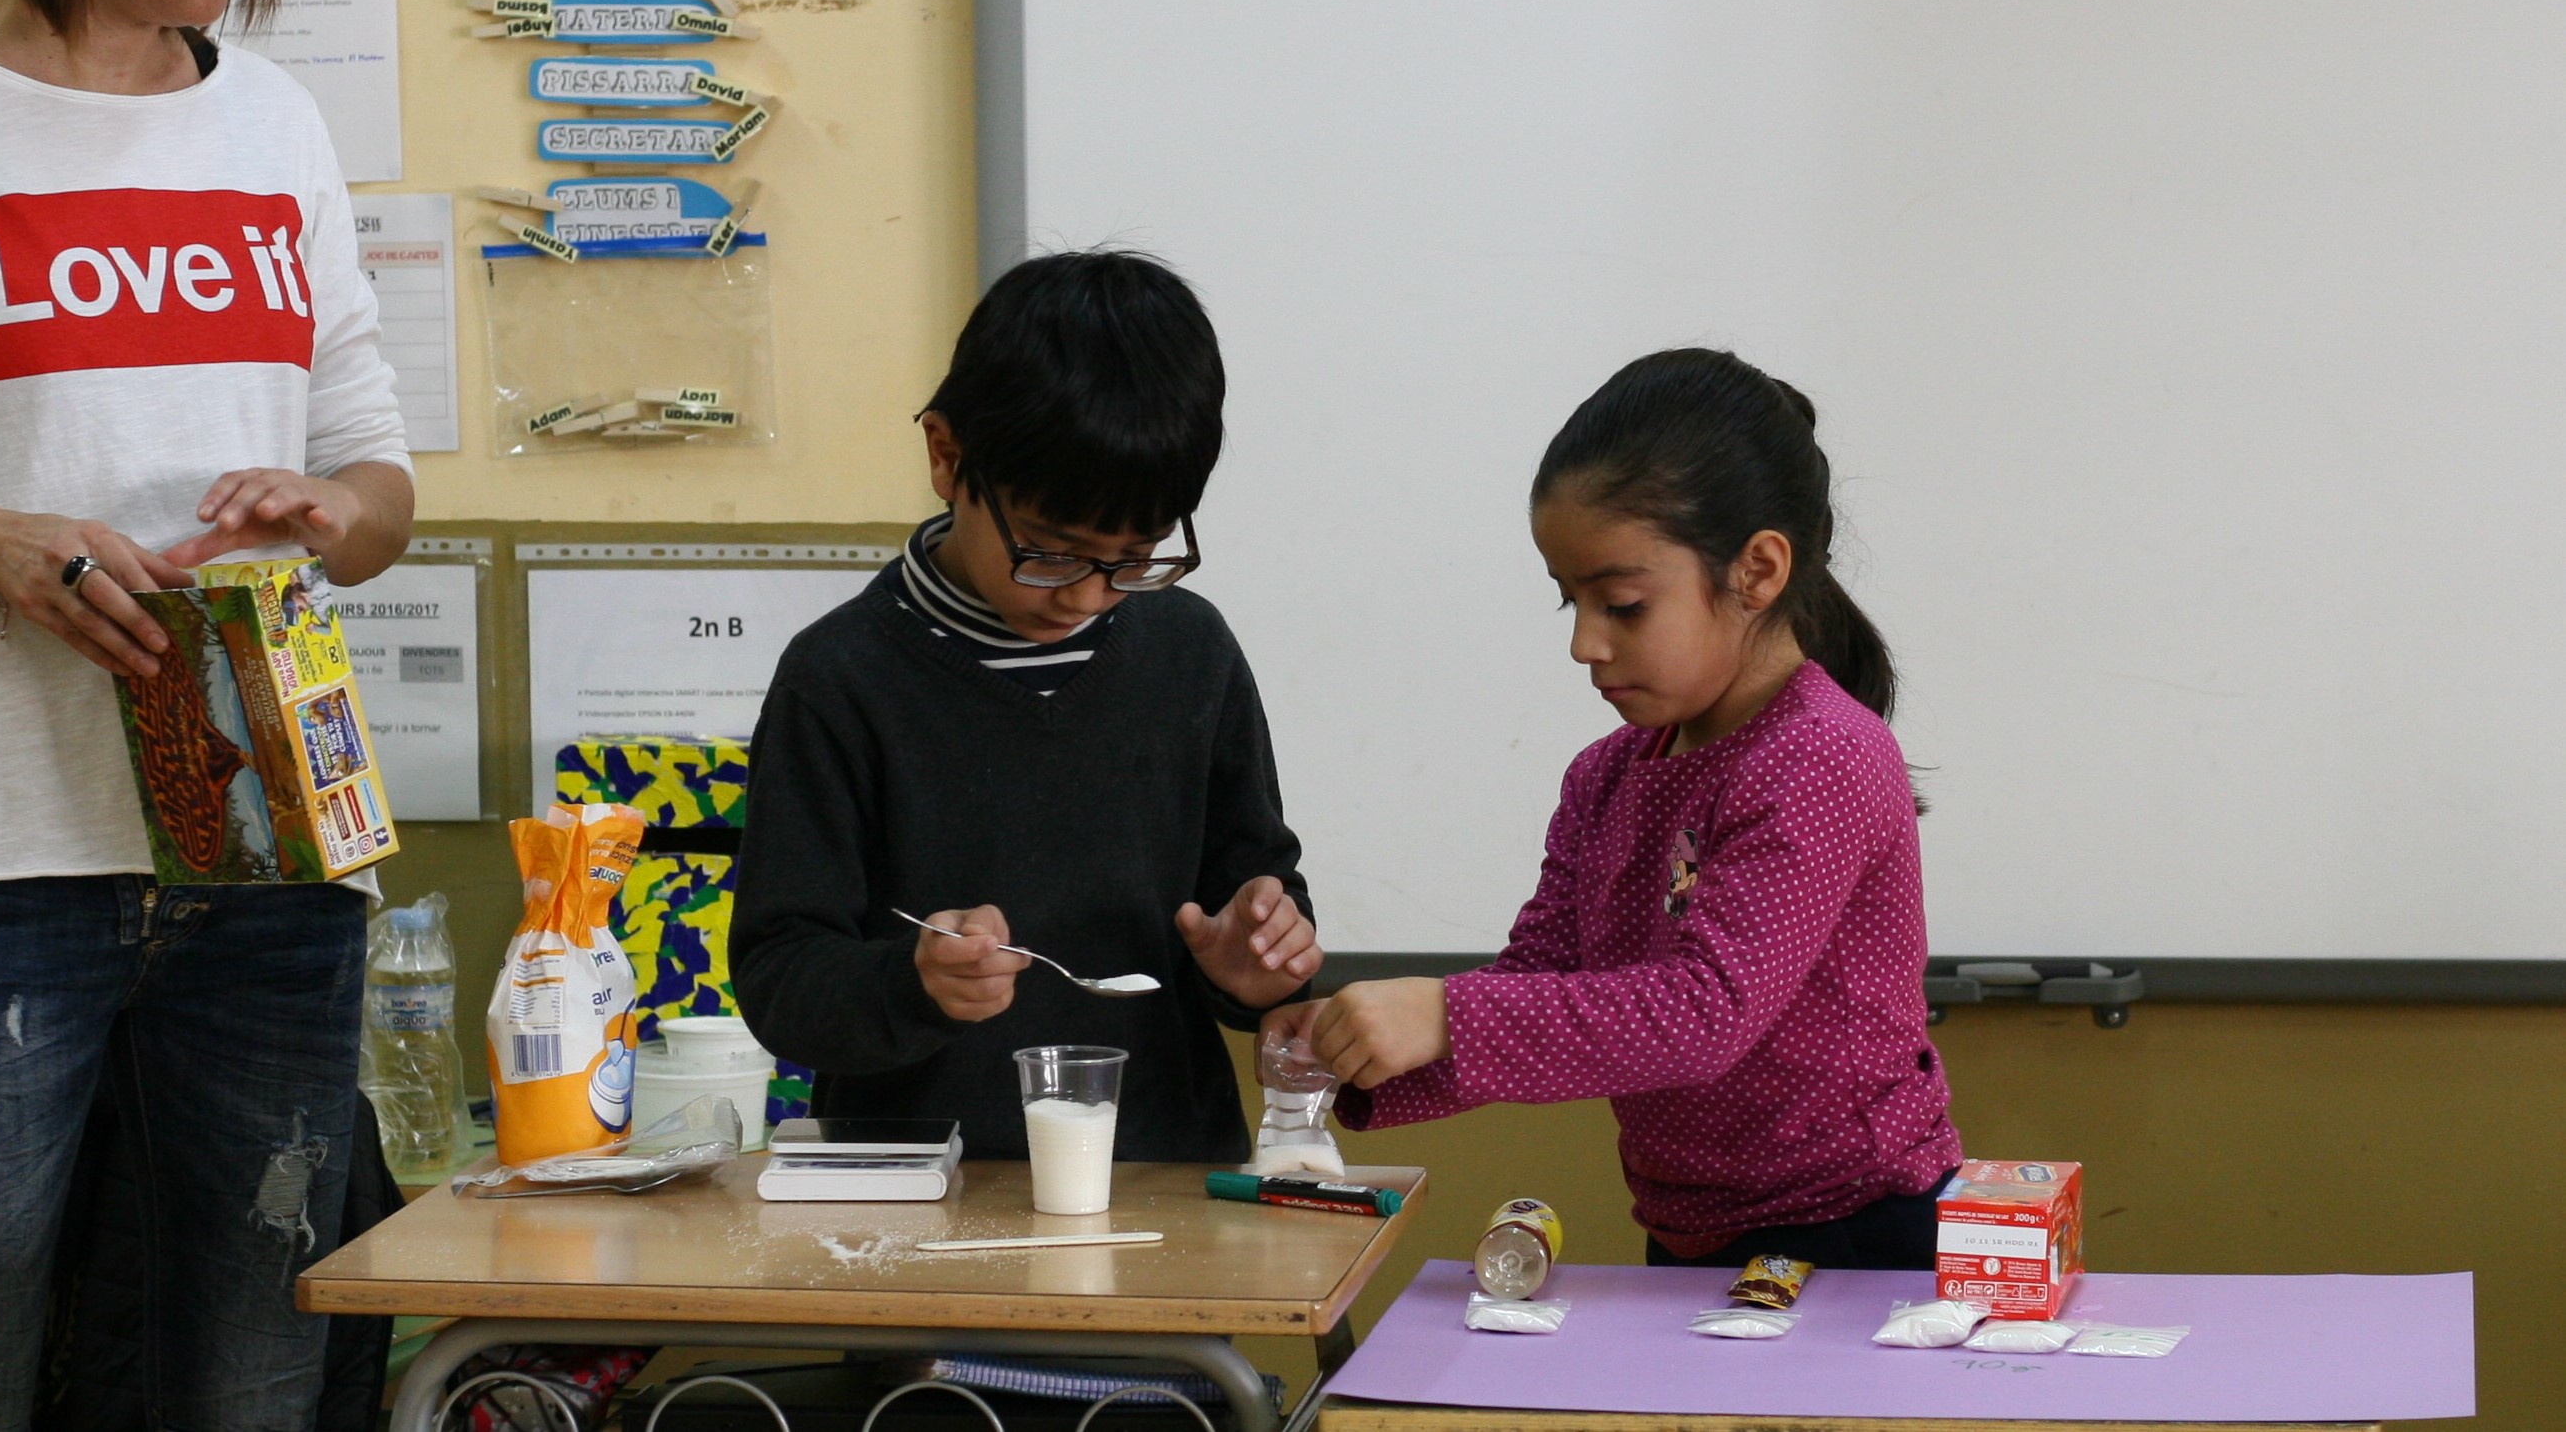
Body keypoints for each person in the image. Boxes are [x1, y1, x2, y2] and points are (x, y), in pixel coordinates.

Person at [0, 0, 414, 1423]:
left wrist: (330, 512)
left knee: (260, 1369)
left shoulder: (271, 123)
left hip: (272, 856)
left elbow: (373, 473)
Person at [1276, 348, 1959, 1269]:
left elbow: (1707, 1012)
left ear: (1757, 571)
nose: (1584, 644)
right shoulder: (1606, 775)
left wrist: (1442, 1015)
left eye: (1623, 605)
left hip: (1856, 1230)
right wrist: (1352, 1053)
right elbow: (1544, 977)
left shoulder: (1821, 756)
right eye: (1571, 602)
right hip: (1690, 1230)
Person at [732, 250, 1321, 1162]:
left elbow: (1256, 896)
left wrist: (1258, 969)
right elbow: (780, 977)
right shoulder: (839, 677)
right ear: (946, 455)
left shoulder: (1189, 651)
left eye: (1135, 558)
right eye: (1049, 552)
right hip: (914, 1189)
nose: (1086, 596)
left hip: (1160, 1175)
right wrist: (913, 984)